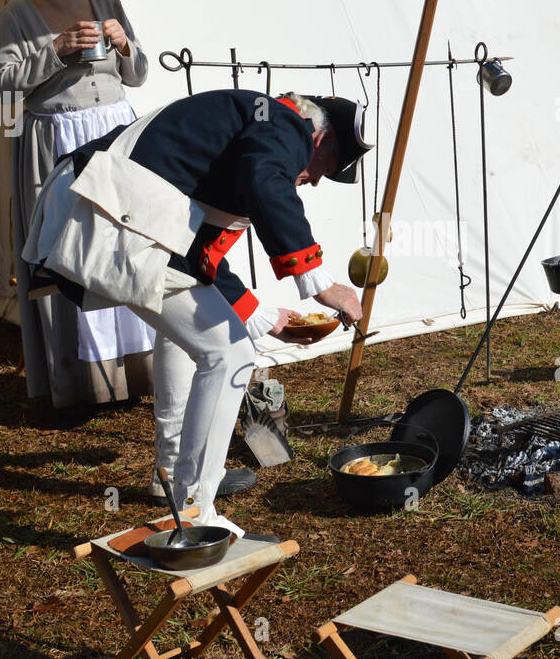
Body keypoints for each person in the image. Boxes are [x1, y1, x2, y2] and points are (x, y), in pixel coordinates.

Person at [21, 89, 371, 535]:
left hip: (98, 205)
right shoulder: (287, 125)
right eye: (330, 167)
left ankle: (181, 491)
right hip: (100, 208)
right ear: (320, 139)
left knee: (212, 346)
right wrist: (319, 283)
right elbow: (267, 180)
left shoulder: (245, 133)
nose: (319, 180)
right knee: (230, 356)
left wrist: (262, 317)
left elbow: (195, 258)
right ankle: (192, 507)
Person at [0, 0, 155, 409]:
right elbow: (1, 85)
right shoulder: (17, 15)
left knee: (124, 244)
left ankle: (139, 369)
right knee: (69, 252)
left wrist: (126, 45)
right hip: (57, 139)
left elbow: (140, 74)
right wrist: (56, 49)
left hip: (114, 135)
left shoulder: (106, 0)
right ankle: (77, 380)